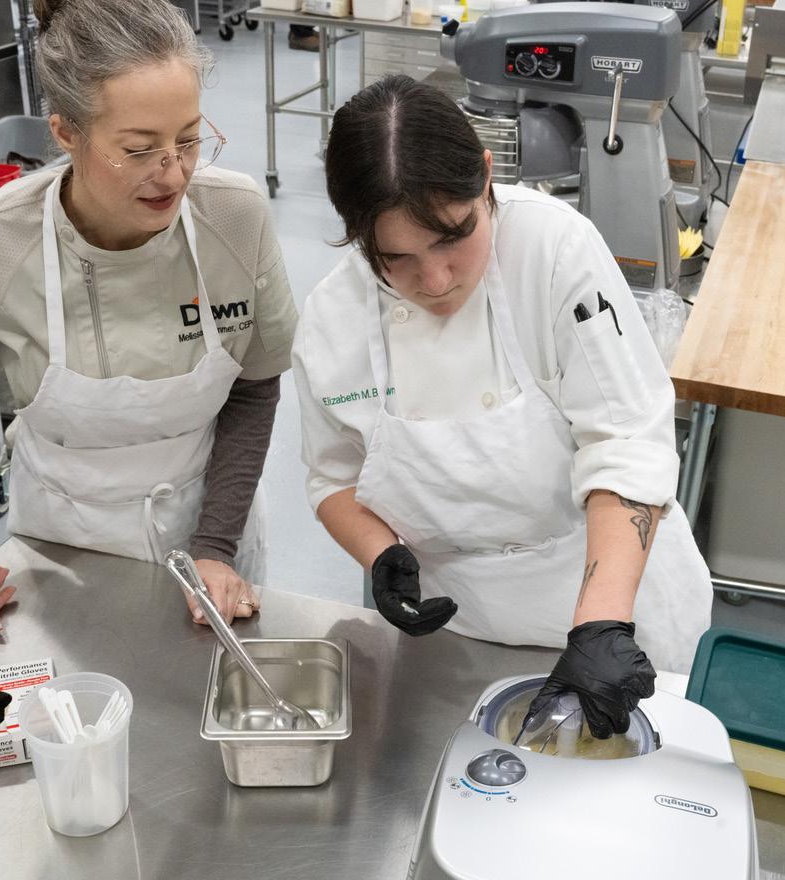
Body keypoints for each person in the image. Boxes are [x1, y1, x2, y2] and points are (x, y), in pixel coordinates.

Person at [292, 76, 713, 738]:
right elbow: (333, 476)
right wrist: (380, 554)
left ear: (487, 177)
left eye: (454, 236)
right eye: (394, 259)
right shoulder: (331, 321)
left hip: (610, 607)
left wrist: (601, 624)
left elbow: (626, 441)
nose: (435, 280)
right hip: (458, 630)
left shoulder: (553, 250)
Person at [0, 0, 298, 634]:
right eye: (139, 150)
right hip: (62, 540)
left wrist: (216, 545)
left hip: (208, 525)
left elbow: (256, 386)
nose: (173, 173)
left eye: (189, 139)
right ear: (66, 133)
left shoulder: (235, 218)